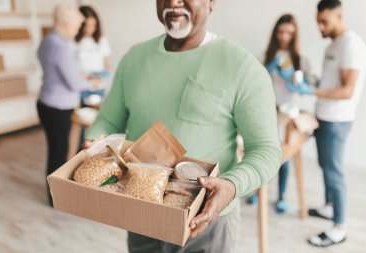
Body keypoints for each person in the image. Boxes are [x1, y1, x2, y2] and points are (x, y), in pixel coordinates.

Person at [84, 0, 282, 252]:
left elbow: (266, 150)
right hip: (141, 211)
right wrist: (92, 145)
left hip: (206, 221)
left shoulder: (242, 67)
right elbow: (108, 120)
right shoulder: (134, 59)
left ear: (211, 2)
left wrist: (232, 185)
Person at [298, 0, 366, 247]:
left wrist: (312, 92)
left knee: (334, 171)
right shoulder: (335, 44)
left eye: (325, 21)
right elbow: (331, 82)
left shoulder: (350, 45)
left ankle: (339, 228)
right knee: (325, 164)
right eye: (318, 21)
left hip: (337, 120)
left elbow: (347, 90)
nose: (320, 26)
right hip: (325, 116)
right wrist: (314, 83)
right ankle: (329, 207)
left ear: (340, 16)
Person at [37, 4, 101, 206]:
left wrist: (79, 76)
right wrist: (92, 82)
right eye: (76, 26)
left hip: (46, 102)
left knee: (56, 149)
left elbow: (58, 73)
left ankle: (56, 194)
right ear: (65, 24)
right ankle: (55, 198)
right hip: (58, 107)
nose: (77, 30)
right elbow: (73, 83)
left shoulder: (48, 40)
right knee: (58, 152)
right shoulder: (61, 46)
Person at [247, 14, 311, 214]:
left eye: (289, 32)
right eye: (281, 32)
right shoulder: (266, 55)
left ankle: (281, 196)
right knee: (262, 151)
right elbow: (253, 81)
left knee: (284, 154)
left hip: (288, 112)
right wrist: (268, 68)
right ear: (276, 33)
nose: (284, 36)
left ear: (295, 34)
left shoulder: (301, 60)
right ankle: (258, 190)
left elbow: (308, 86)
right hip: (267, 110)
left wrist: (298, 82)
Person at [75, 5, 112, 104]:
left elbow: (107, 65)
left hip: (99, 86)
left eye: (93, 25)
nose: (89, 29)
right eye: (86, 25)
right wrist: (87, 78)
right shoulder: (74, 42)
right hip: (81, 86)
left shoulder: (102, 40)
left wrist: (99, 78)